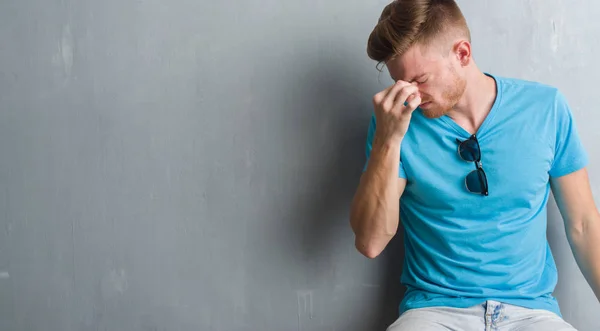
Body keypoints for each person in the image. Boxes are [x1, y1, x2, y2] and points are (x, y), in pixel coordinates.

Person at [349, 1, 600, 330]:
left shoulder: (545, 108)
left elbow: (583, 224)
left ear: (462, 54)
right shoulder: (395, 121)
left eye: (420, 79)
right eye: (400, 83)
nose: (410, 95)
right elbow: (370, 242)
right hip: (434, 312)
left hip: (531, 312)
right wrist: (388, 140)